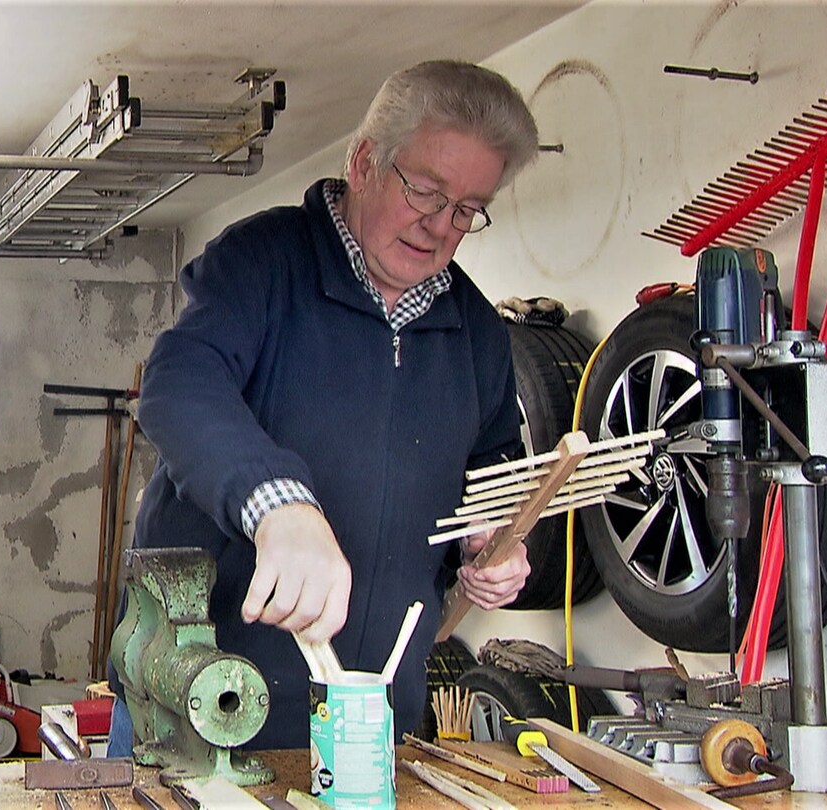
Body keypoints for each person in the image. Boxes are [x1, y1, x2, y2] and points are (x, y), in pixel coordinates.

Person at [119, 60, 539, 750]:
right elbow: (181, 382)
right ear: (366, 161)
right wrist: (279, 506)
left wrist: (490, 533)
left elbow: (491, 457)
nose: (438, 226)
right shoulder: (263, 262)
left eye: (466, 210)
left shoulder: (477, 331)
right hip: (204, 698)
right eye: (426, 192)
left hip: (373, 716)